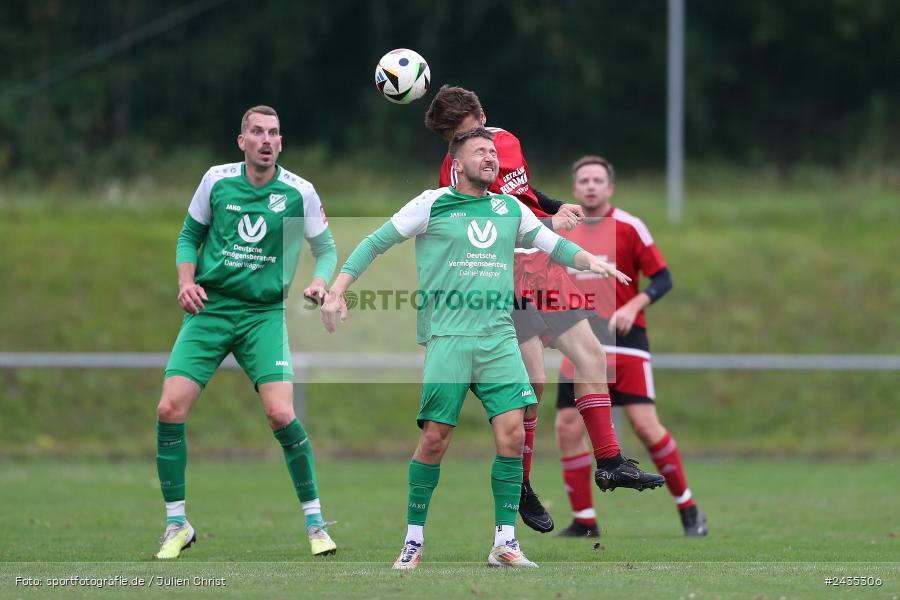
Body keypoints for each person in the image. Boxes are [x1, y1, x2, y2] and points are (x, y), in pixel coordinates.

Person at [321, 128, 629, 570]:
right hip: (448, 339)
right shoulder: (431, 203)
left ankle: (505, 543)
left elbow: (553, 245)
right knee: (434, 439)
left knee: (513, 433)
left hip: (498, 339)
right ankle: (412, 541)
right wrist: (338, 289)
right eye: (480, 152)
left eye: (492, 152)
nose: (491, 158)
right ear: (457, 164)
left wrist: (592, 262)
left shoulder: (508, 208)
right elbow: (375, 242)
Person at [425, 86, 665, 534]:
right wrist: (548, 225)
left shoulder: (508, 142)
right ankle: (520, 485)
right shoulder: (452, 172)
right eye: (454, 140)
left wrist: (553, 206)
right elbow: (481, 227)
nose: (465, 147)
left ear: (482, 116)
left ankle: (611, 463)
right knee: (531, 386)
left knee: (592, 357)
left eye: (468, 133)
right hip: (503, 275)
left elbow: (522, 191)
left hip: (543, 267)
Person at [154, 105, 339, 559]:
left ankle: (316, 523)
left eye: (273, 133)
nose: (265, 139)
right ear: (242, 141)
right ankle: (176, 523)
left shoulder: (300, 192)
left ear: (281, 142)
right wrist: (185, 282)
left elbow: (326, 248)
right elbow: (187, 237)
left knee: (281, 415)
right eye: (256, 132)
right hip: (211, 309)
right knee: (169, 410)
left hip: (262, 316)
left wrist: (320, 281)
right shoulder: (216, 181)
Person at [554, 155, 708, 538]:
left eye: (597, 180)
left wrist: (633, 305)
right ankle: (585, 522)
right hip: (578, 341)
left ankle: (689, 510)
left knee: (645, 426)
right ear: (574, 190)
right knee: (568, 426)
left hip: (626, 342)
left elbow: (663, 277)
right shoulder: (560, 231)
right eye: (583, 180)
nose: (590, 186)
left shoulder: (629, 226)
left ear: (610, 188)